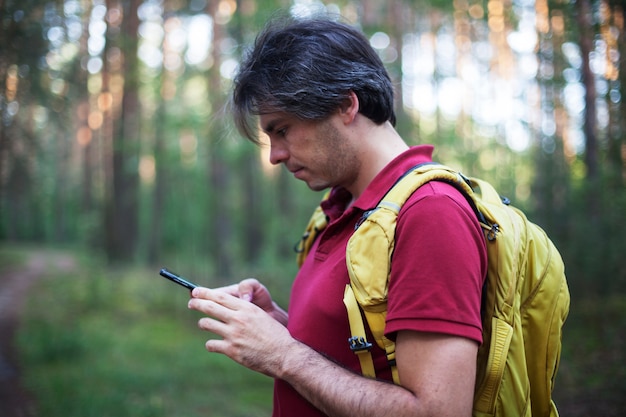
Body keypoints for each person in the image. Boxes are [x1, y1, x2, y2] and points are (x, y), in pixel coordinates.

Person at [187, 14, 487, 417]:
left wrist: (285, 355)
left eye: (282, 130)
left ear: (346, 104)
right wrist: (278, 327)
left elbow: (439, 411)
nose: (274, 155)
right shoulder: (345, 210)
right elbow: (365, 357)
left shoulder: (429, 212)